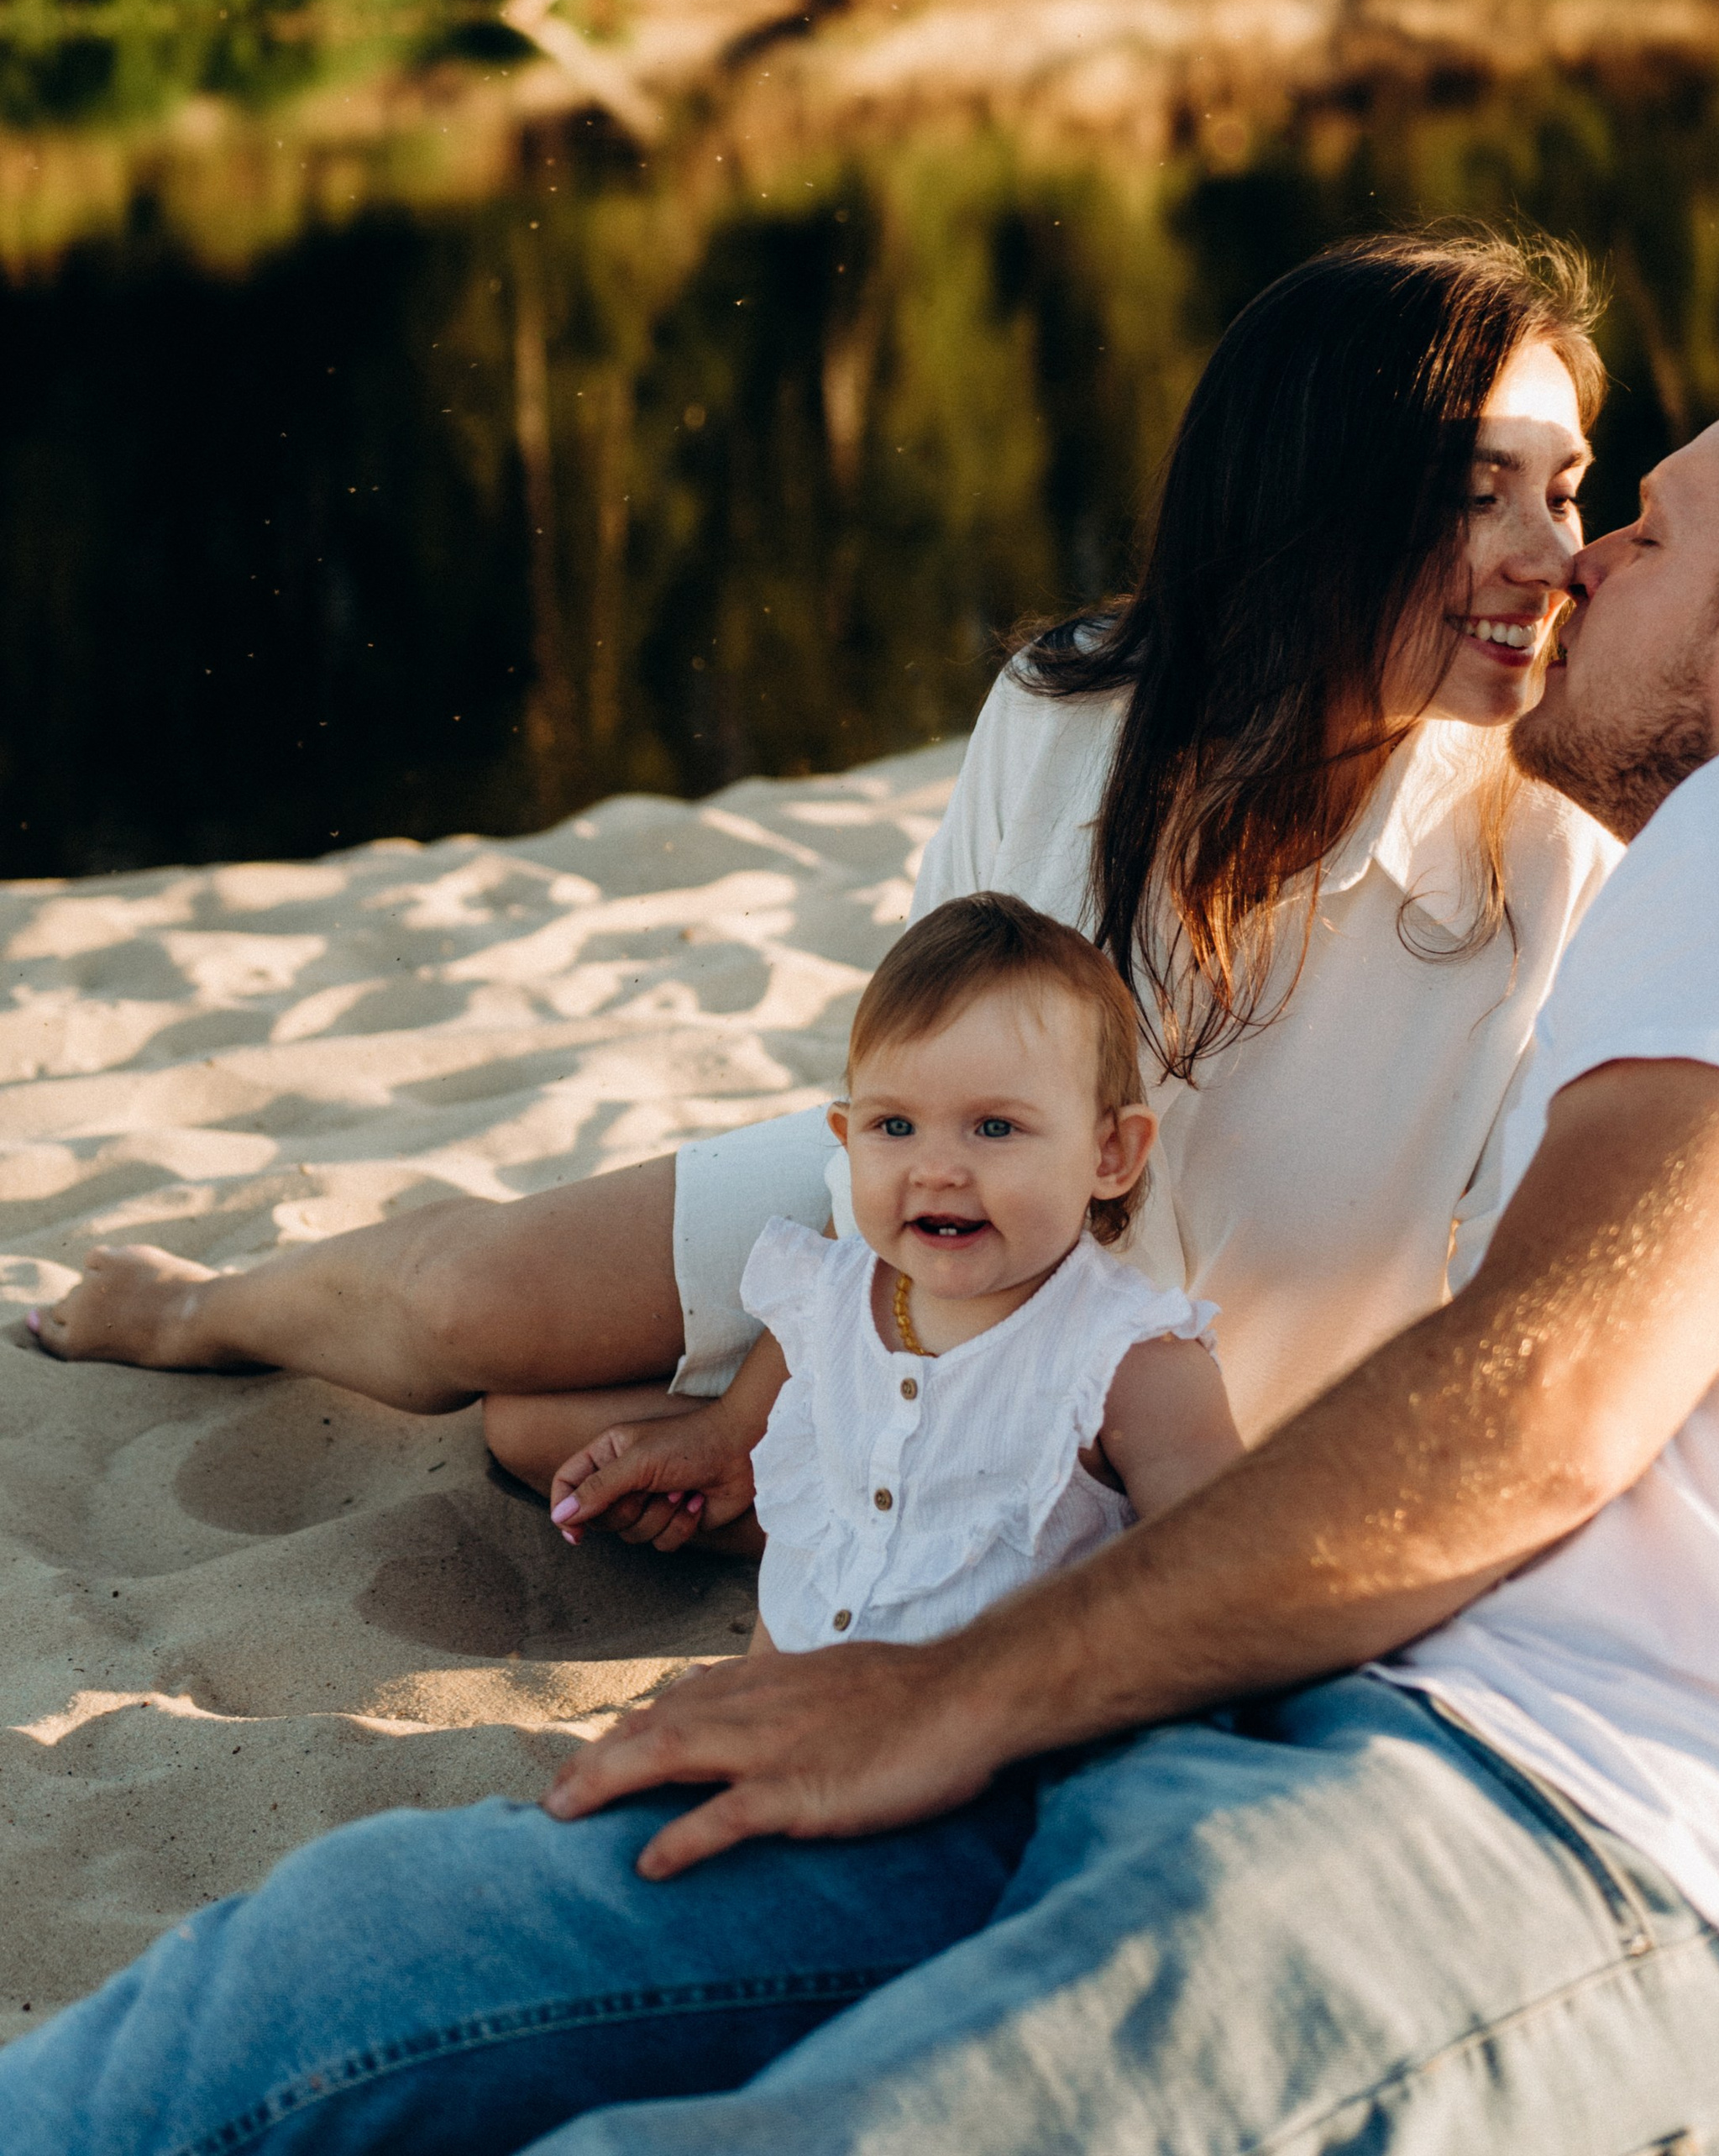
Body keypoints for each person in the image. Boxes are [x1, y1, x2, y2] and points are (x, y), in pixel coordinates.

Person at [6, 378, 1719, 2156]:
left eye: (1642, 528)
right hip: (1281, 1724)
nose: (1578, 562)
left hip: (1619, 1860)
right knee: (342, 1973)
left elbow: (1538, 1406)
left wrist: (946, 1690)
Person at [31, 230, 1617, 1514]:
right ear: (1314, 495)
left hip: (1175, 1435)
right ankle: (195, 1308)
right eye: (1478, 494)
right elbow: (916, 1074)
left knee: (533, 1433)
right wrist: (769, 1407)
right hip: (933, 1215)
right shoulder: (1078, 714)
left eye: (1564, 489)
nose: (1551, 557)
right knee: (470, 1318)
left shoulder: (1551, 871)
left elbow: (1526, 1325)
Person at [573, 889, 1241, 1641]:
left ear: (1109, 1152)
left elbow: (1227, 1578)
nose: (937, 1169)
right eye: (894, 1125)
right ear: (845, 1138)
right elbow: (811, 1557)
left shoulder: (1129, 1360)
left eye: (995, 1127)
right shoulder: (833, 1300)